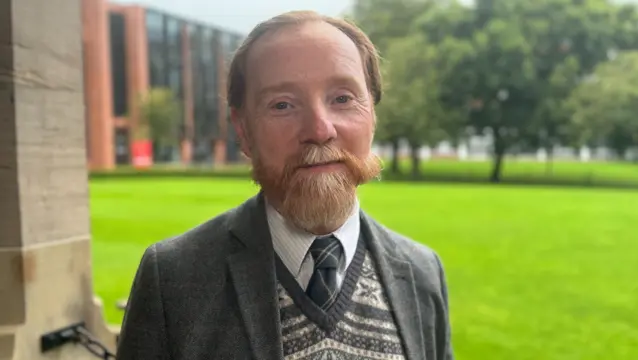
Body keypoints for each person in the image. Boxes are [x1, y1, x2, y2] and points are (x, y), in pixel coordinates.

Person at [116, 10, 453, 360]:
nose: (320, 130)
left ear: (373, 114)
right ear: (243, 130)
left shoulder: (422, 272)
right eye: (283, 104)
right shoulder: (173, 279)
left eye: (342, 98)